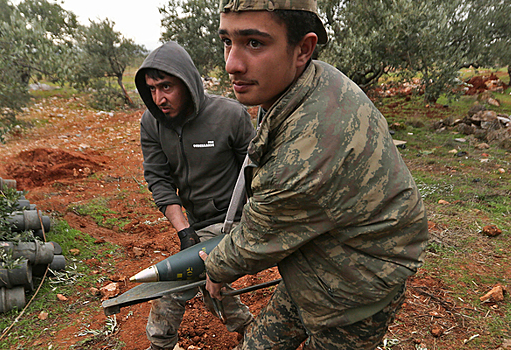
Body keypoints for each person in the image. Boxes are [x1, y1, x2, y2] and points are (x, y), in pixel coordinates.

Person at [200, 1, 429, 349]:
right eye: (227, 41)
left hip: (358, 292)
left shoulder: (306, 150)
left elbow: (257, 240)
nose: (232, 63)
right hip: (320, 265)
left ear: (303, 49)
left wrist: (215, 269)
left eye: (254, 43)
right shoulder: (309, 81)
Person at [135, 41, 255, 350]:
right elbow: (158, 179)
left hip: (235, 221)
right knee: (205, 274)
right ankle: (248, 328)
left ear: (188, 82)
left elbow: (259, 174)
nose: (158, 99)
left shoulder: (231, 115)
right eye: (151, 89)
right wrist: (184, 230)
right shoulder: (151, 124)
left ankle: (160, 344)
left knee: (174, 282)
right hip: (197, 224)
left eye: (166, 87)